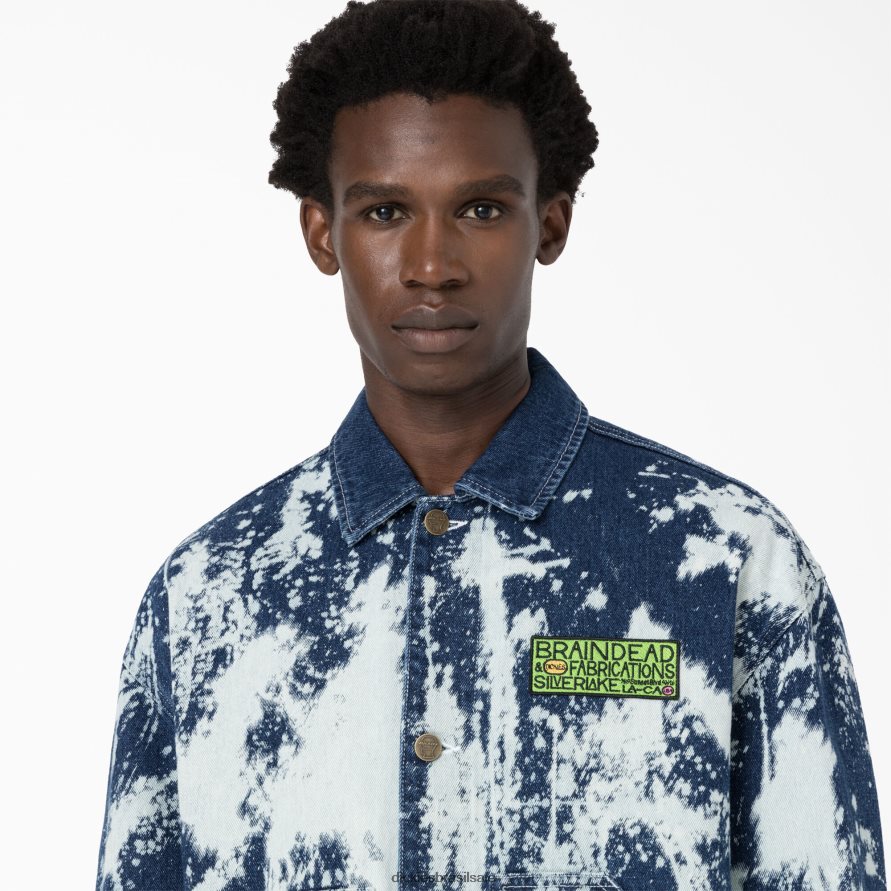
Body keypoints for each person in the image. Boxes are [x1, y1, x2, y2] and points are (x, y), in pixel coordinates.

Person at [95, 0, 886, 888]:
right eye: (385, 210)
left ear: (550, 223)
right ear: (323, 234)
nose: (432, 266)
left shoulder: (725, 558)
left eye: (479, 208)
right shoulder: (207, 597)